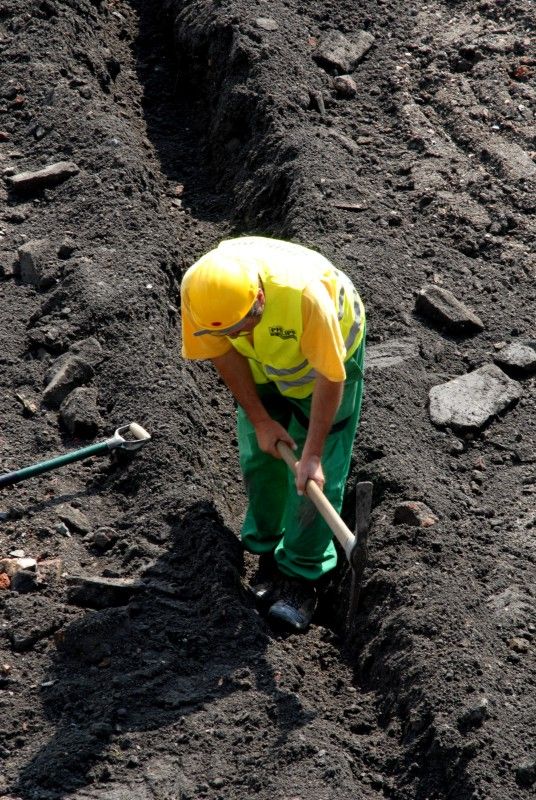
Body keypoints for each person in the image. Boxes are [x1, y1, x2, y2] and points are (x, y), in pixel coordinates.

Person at [180, 236, 366, 631]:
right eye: (231, 329)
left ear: (260, 298)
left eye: (245, 322)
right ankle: (267, 551)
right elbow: (223, 352)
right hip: (263, 361)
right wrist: (262, 420)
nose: (239, 333)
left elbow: (330, 377)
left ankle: (301, 577)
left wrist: (312, 453)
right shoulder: (202, 294)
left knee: (314, 480)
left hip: (328, 359)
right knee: (259, 455)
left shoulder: (305, 297)